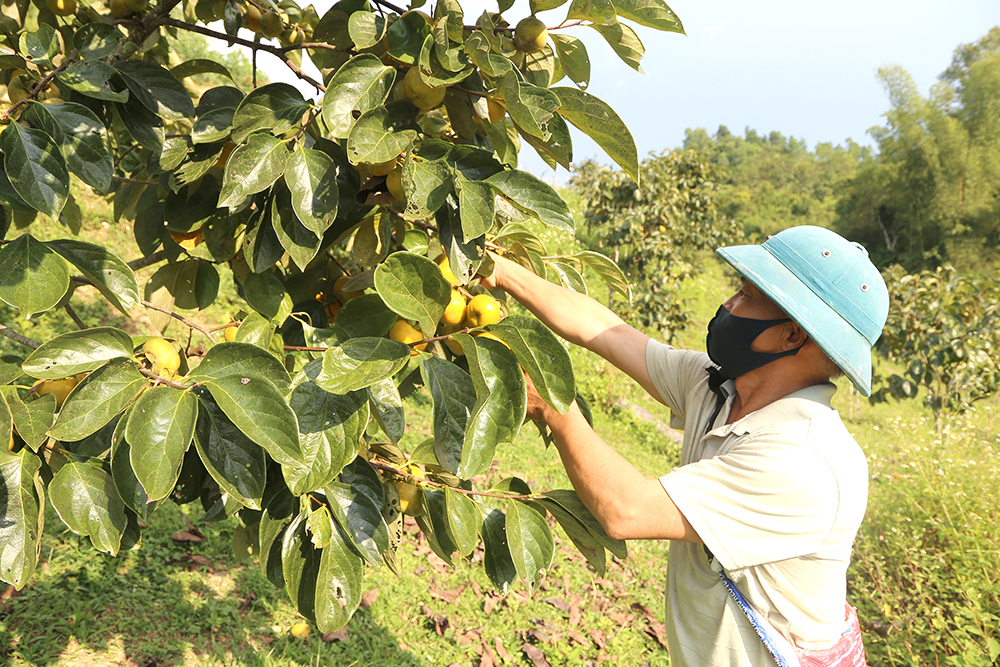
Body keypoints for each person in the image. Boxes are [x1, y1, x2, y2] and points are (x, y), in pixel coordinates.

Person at [479, 225, 888, 667]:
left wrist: (553, 405)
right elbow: (606, 330)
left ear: (791, 335)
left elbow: (626, 510)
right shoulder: (719, 388)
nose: (728, 305)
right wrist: (499, 271)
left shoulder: (805, 462)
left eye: (746, 296)